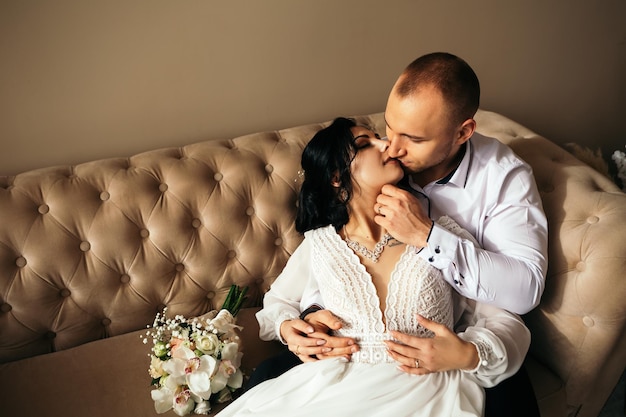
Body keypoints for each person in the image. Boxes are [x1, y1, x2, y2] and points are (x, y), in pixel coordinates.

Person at [249, 52, 547, 416]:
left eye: (413, 139)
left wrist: (427, 236)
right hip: (345, 371)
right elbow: (290, 295)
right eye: (387, 129)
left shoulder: (501, 180)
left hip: (440, 363)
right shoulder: (328, 237)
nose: (391, 146)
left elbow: (516, 297)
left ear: (462, 133)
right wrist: (300, 322)